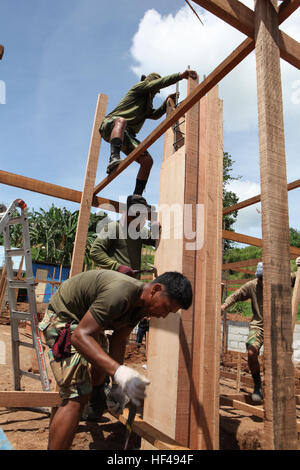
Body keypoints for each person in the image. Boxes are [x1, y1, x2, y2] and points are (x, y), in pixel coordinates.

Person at [39, 269, 193, 450]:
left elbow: (119, 340)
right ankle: (86, 400)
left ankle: (96, 399)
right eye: (166, 307)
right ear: (155, 289)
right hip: (62, 320)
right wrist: (119, 371)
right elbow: (79, 336)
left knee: (101, 355)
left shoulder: (141, 307)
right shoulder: (121, 293)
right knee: (76, 396)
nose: (164, 315)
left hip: (84, 325)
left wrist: (116, 386)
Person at [99, 69, 198, 202]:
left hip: (126, 135)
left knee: (147, 161)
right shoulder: (139, 88)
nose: (155, 93)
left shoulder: (146, 104)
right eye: (155, 90)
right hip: (110, 125)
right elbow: (158, 84)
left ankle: (136, 196)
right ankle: (113, 157)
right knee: (121, 120)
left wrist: (167, 102)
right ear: (151, 83)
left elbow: (154, 115)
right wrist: (180, 76)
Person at [221, 262, 296, 402]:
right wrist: (224, 306)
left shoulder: (280, 281)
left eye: (267, 278)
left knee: (279, 359)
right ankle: (257, 385)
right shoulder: (252, 286)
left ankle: (279, 388)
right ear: (258, 277)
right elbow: (235, 295)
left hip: (277, 327)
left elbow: (297, 278)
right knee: (251, 352)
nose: (264, 281)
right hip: (259, 326)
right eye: (261, 278)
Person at [90, 194, 160, 277]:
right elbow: (95, 251)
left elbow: (153, 242)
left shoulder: (140, 231)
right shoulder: (113, 227)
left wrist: (155, 231)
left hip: (133, 281)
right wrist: (117, 267)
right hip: (114, 280)